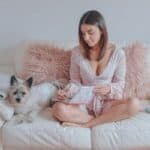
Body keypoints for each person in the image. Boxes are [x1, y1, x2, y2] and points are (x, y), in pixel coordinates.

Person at [52, 10, 140, 128]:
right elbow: (75, 82)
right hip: (84, 104)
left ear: (102, 31)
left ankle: (88, 124)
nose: (86, 38)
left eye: (90, 32)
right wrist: (67, 92)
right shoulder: (77, 52)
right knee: (58, 109)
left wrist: (108, 89)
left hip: (107, 103)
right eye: (83, 34)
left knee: (134, 104)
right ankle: (99, 120)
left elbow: (120, 85)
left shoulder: (118, 54)